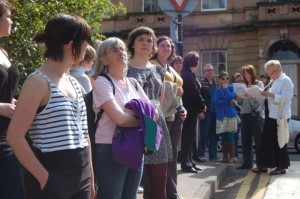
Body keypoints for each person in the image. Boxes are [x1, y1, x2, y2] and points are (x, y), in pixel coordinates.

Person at [7, 14, 95, 199]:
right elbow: (15, 136)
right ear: (70, 44)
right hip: (53, 174)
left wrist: (90, 178)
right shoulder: (38, 82)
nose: (88, 45)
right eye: (86, 40)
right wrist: (44, 178)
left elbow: (83, 133)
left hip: (82, 175)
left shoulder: (73, 81)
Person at [93, 37, 151, 199]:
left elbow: (153, 113)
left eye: (123, 49)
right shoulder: (102, 82)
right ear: (104, 59)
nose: (121, 52)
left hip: (135, 147)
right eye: (114, 50)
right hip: (110, 150)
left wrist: (130, 114)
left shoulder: (133, 83)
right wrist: (140, 116)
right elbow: (119, 119)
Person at [126, 26, 172, 199]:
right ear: (132, 44)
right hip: (133, 125)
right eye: (141, 39)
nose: (145, 43)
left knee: (159, 183)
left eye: (149, 40)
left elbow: (160, 100)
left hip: (155, 126)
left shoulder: (159, 70)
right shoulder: (125, 69)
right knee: (132, 184)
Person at [150, 36, 187, 199]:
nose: (167, 48)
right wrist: (174, 89)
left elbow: (177, 93)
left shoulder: (170, 68)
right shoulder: (152, 65)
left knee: (172, 156)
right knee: (160, 157)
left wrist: (182, 107)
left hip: (175, 114)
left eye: (169, 46)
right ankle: (165, 193)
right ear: (156, 47)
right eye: (163, 45)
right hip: (161, 116)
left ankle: (172, 193)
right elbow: (153, 88)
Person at [0, 1, 25, 198]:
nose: (11, 21)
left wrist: (13, 101)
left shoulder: (3, 52)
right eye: (7, 16)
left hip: (6, 139)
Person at [260, 60, 293, 175]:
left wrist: (272, 95)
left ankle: (281, 166)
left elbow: (286, 98)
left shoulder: (286, 80)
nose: (269, 75)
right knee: (268, 140)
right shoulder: (274, 81)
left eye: (271, 73)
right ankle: (266, 164)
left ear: (278, 70)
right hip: (271, 115)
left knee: (280, 141)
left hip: (280, 116)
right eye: (268, 73)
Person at [180, 51, 206, 173]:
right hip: (189, 109)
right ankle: (186, 164)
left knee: (190, 138)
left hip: (191, 109)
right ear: (194, 62)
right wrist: (202, 105)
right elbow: (194, 93)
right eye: (198, 61)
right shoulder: (187, 75)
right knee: (187, 138)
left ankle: (190, 161)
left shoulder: (189, 74)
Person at [236, 65, 264, 172]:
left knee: (258, 139)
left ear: (252, 73)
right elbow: (241, 102)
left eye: (248, 73)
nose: (246, 76)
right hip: (245, 113)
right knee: (246, 139)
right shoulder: (243, 85)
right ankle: (247, 162)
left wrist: (252, 96)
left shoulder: (259, 84)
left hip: (256, 113)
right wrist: (239, 99)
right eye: (245, 74)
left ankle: (261, 164)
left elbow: (261, 99)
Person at [196, 63, 218, 162]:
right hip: (206, 112)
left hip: (215, 112)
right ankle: (201, 154)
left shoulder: (215, 82)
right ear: (204, 72)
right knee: (204, 134)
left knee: (214, 134)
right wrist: (201, 111)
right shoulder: (202, 83)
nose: (209, 72)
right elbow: (200, 98)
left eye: (211, 70)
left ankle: (213, 154)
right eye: (207, 70)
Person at [215, 71, 238, 163]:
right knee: (223, 136)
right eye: (223, 78)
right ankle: (225, 156)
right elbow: (217, 102)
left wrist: (225, 89)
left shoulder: (231, 88)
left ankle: (232, 156)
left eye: (227, 78)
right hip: (221, 116)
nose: (225, 80)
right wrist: (228, 102)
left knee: (230, 136)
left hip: (230, 115)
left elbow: (231, 97)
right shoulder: (217, 90)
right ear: (220, 80)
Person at [232, 72, 243, 161]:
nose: (239, 78)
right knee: (235, 135)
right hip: (237, 112)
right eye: (237, 76)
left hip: (247, 112)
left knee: (246, 136)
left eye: (240, 76)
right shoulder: (232, 88)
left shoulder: (246, 86)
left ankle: (247, 156)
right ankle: (235, 154)